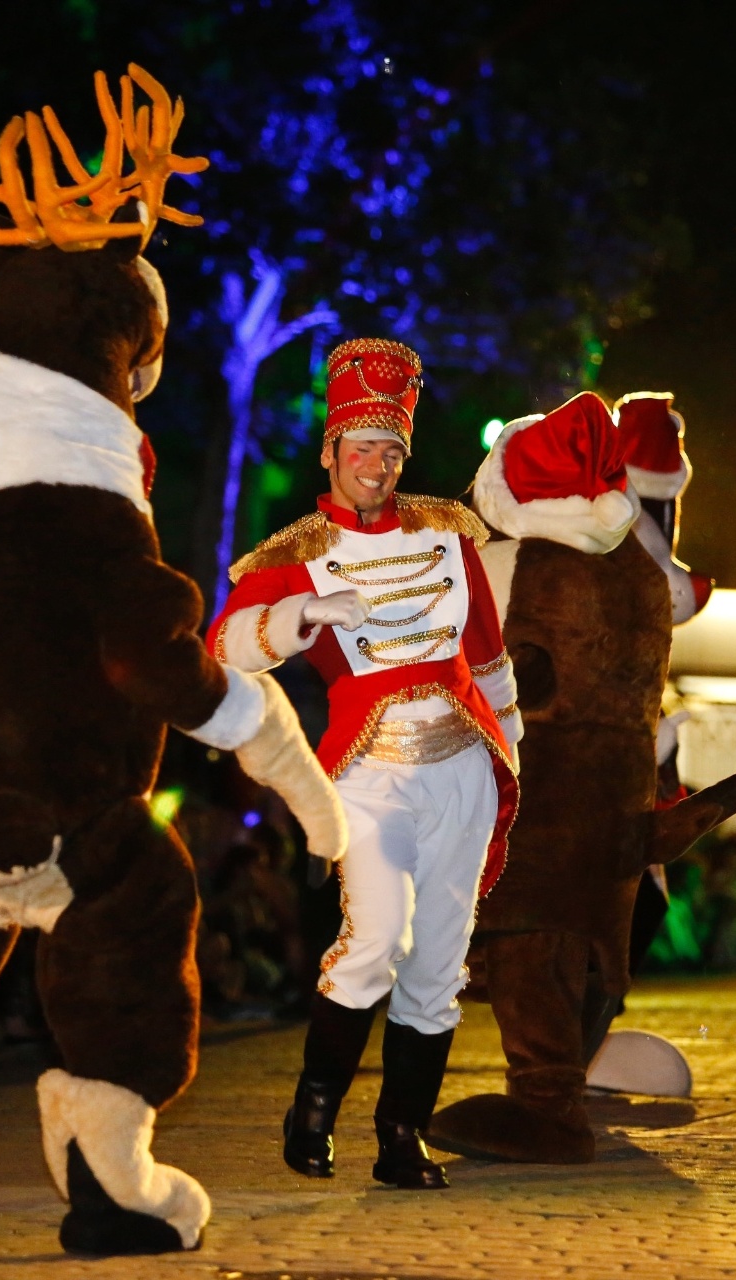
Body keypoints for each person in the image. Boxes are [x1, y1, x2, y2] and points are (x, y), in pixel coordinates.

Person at [210, 338, 520, 1190]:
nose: (377, 465)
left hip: (462, 762)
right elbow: (224, 647)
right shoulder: (293, 549)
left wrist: (512, 754)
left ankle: (401, 1133)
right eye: (361, 449)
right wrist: (302, 610)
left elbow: (489, 656)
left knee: (440, 961)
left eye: (391, 450)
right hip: (368, 771)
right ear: (331, 452)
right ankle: (314, 1108)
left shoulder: (451, 531)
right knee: (375, 937)